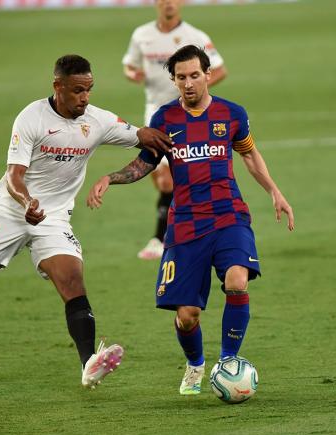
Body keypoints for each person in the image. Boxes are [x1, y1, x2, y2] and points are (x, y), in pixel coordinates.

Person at [0, 54, 173, 390]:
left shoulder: (97, 120)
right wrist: (27, 202)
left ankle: (89, 363)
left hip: (53, 219)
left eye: (89, 90)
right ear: (58, 86)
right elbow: (14, 176)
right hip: (11, 212)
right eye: (77, 91)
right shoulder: (31, 118)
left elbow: (147, 137)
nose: (84, 98)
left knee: (73, 280)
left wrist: (182, 132)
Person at [88, 45, 295, 395]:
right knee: (187, 316)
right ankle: (196, 364)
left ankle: (228, 360)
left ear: (208, 75)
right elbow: (146, 163)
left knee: (237, 282)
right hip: (185, 224)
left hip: (229, 215)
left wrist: (274, 190)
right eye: (180, 77)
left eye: (194, 75)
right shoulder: (165, 120)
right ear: (173, 79)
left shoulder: (232, 114)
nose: (188, 83)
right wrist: (111, 177)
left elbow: (249, 154)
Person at [122, 0, 227, 260]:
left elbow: (220, 69)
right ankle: (188, 225)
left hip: (187, 115)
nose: (169, 3)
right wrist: (132, 74)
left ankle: (160, 239)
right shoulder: (142, 35)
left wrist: (196, 88)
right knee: (161, 181)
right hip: (155, 113)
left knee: (169, 179)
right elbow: (129, 65)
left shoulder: (195, 36)